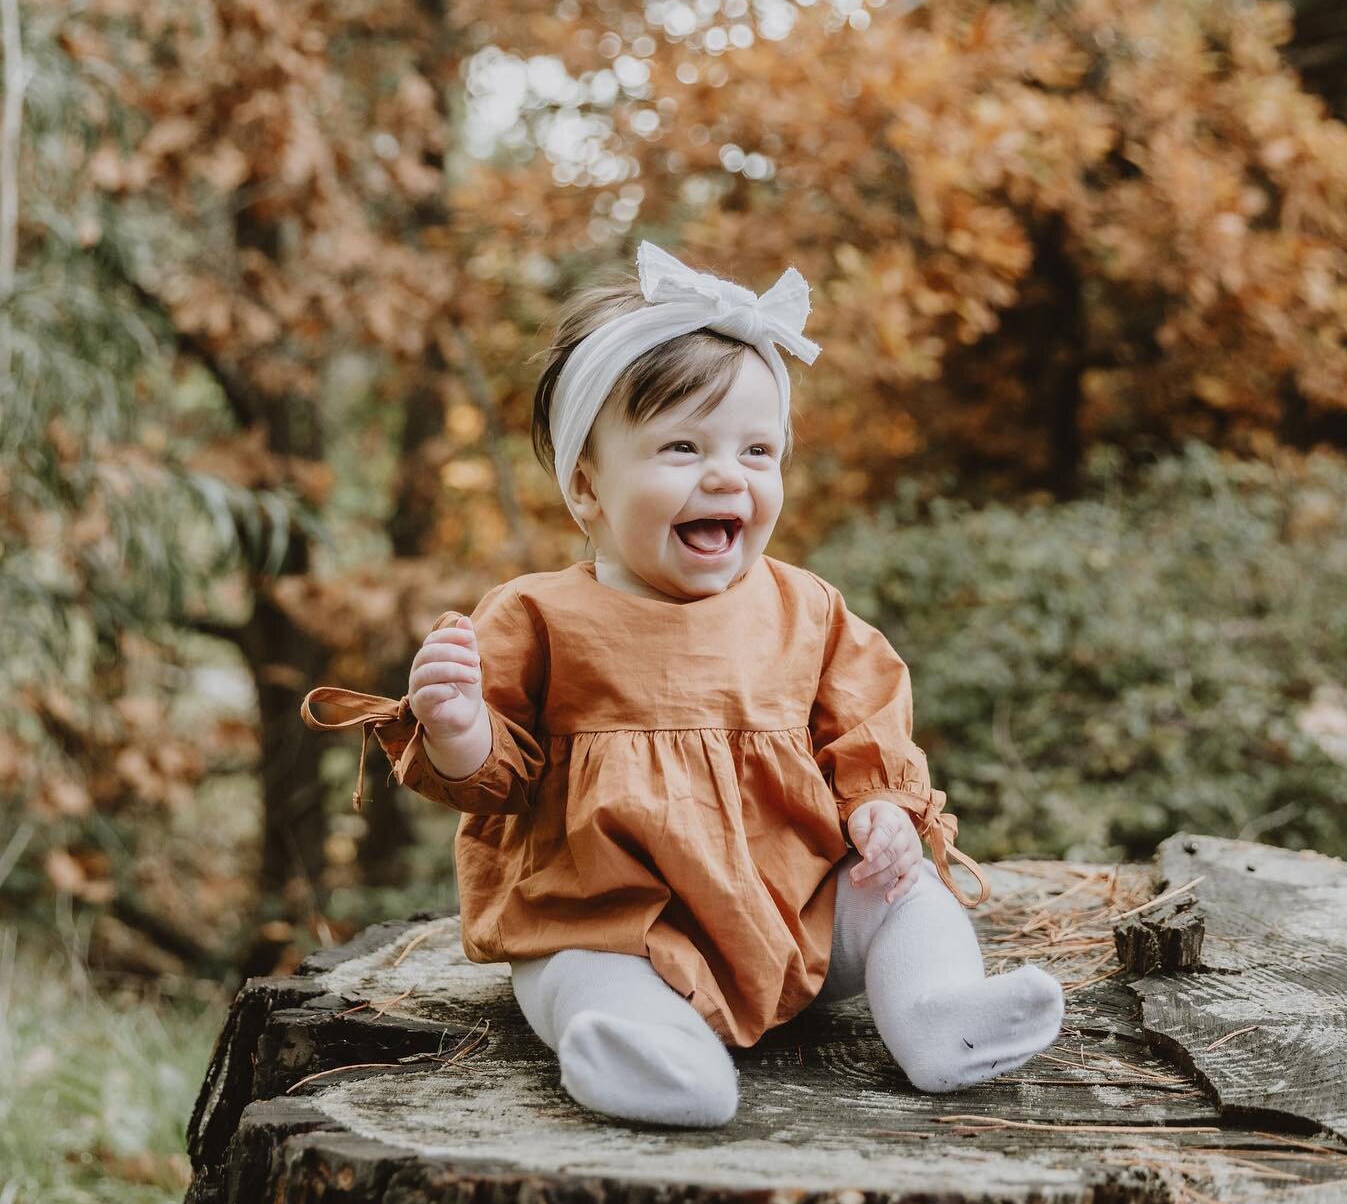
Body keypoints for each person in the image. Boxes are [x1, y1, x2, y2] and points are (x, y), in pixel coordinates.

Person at [300, 241, 1063, 1128]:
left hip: (791, 909)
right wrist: (458, 721)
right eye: (681, 447)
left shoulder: (804, 608)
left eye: (757, 450)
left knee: (901, 894)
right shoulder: (538, 615)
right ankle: (657, 1059)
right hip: (611, 917)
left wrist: (878, 810)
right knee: (576, 975)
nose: (726, 475)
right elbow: (496, 780)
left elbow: (865, 723)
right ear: (587, 487)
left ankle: (936, 1013)